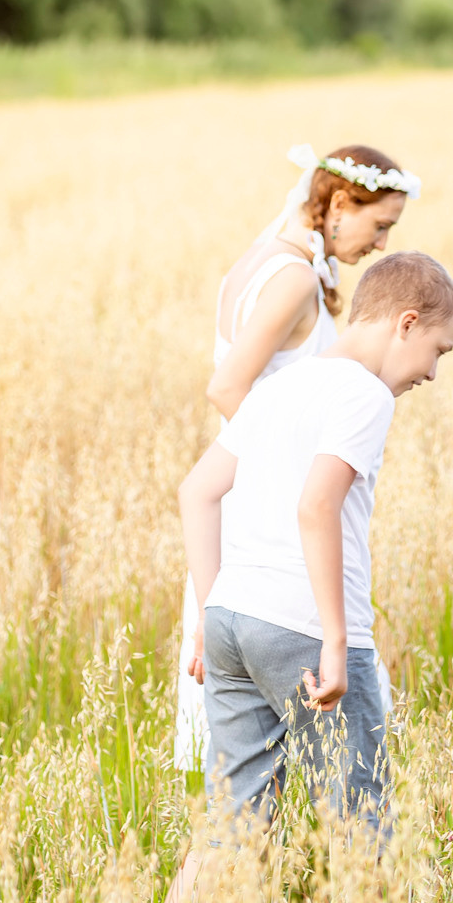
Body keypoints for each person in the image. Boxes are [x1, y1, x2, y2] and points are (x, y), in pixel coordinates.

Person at [167, 252, 453, 903]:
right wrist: (336, 639)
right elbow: (317, 505)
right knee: (361, 827)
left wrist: (209, 608)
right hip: (306, 631)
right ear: (406, 324)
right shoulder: (363, 395)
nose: (434, 372)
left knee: (229, 824)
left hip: (232, 622)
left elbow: (197, 491)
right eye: (438, 350)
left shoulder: (279, 386)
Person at [173, 142, 420, 775]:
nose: (382, 244)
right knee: (349, 765)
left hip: (240, 525)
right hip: (270, 531)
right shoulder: (292, 278)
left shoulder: (261, 260)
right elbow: (227, 388)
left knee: (240, 794)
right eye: (380, 224)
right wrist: (284, 468)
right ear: (341, 202)